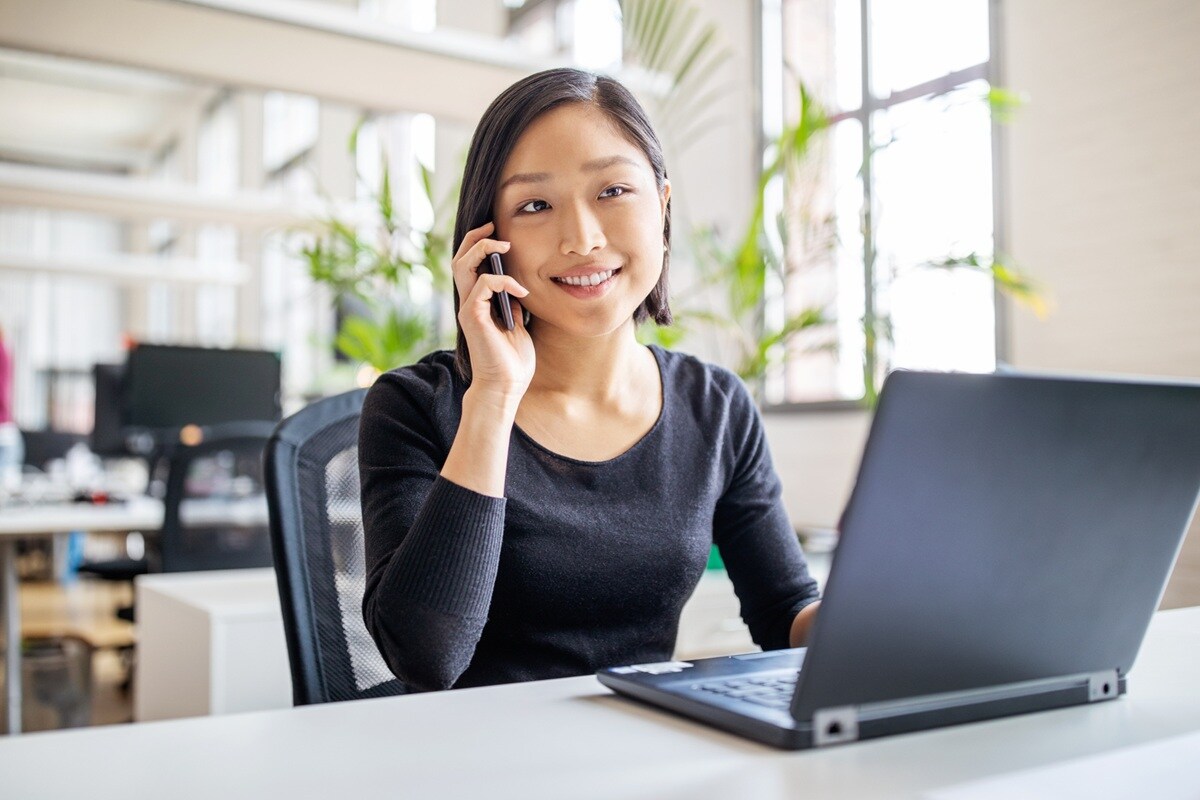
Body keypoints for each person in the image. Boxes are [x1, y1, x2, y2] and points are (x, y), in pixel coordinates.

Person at [359, 68, 820, 693]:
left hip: (644, 754)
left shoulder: (714, 407)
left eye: (612, 192)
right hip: (471, 764)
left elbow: (784, 614)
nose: (582, 239)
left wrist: (884, 614)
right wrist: (492, 396)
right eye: (535, 205)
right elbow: (426, 658)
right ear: (490, 241)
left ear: (660, 205)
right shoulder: (416, 407)